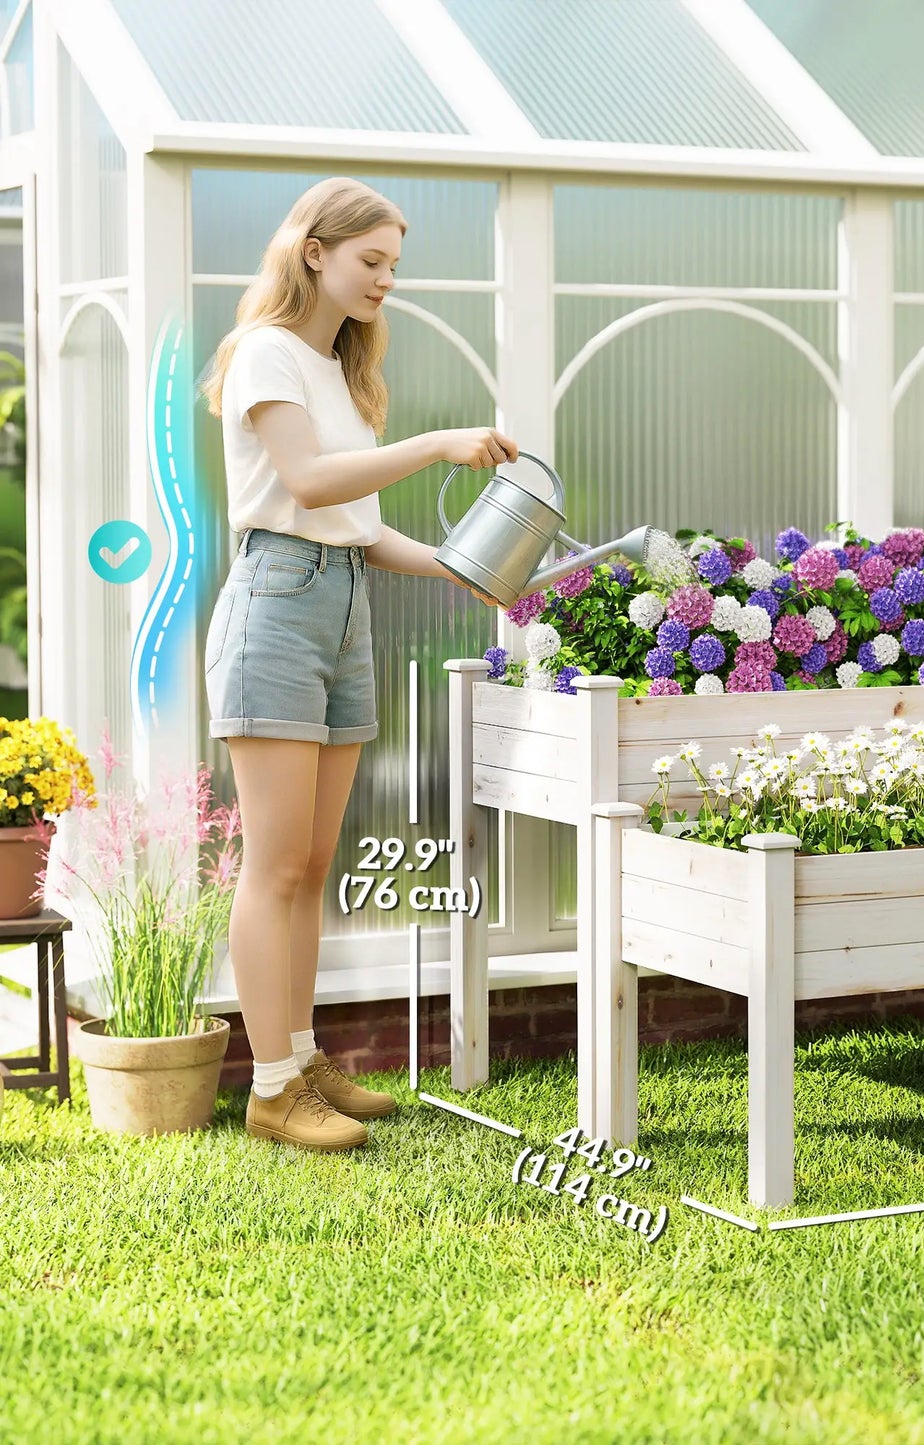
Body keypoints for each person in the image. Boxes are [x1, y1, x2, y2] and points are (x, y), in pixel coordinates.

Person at [198, 176, 517, 1152]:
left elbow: (360, 530)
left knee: (313, 863)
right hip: (276, 604)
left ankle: (299, 1056)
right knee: (275, 865)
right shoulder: (265, 351)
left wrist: (464, 570)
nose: (385, 280)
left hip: (341, 605)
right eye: (370, 260)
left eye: (392, 265)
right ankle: (269, 1088)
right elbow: (304, 483)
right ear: (314, 253)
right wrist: (434, 444)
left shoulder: (337, 370)